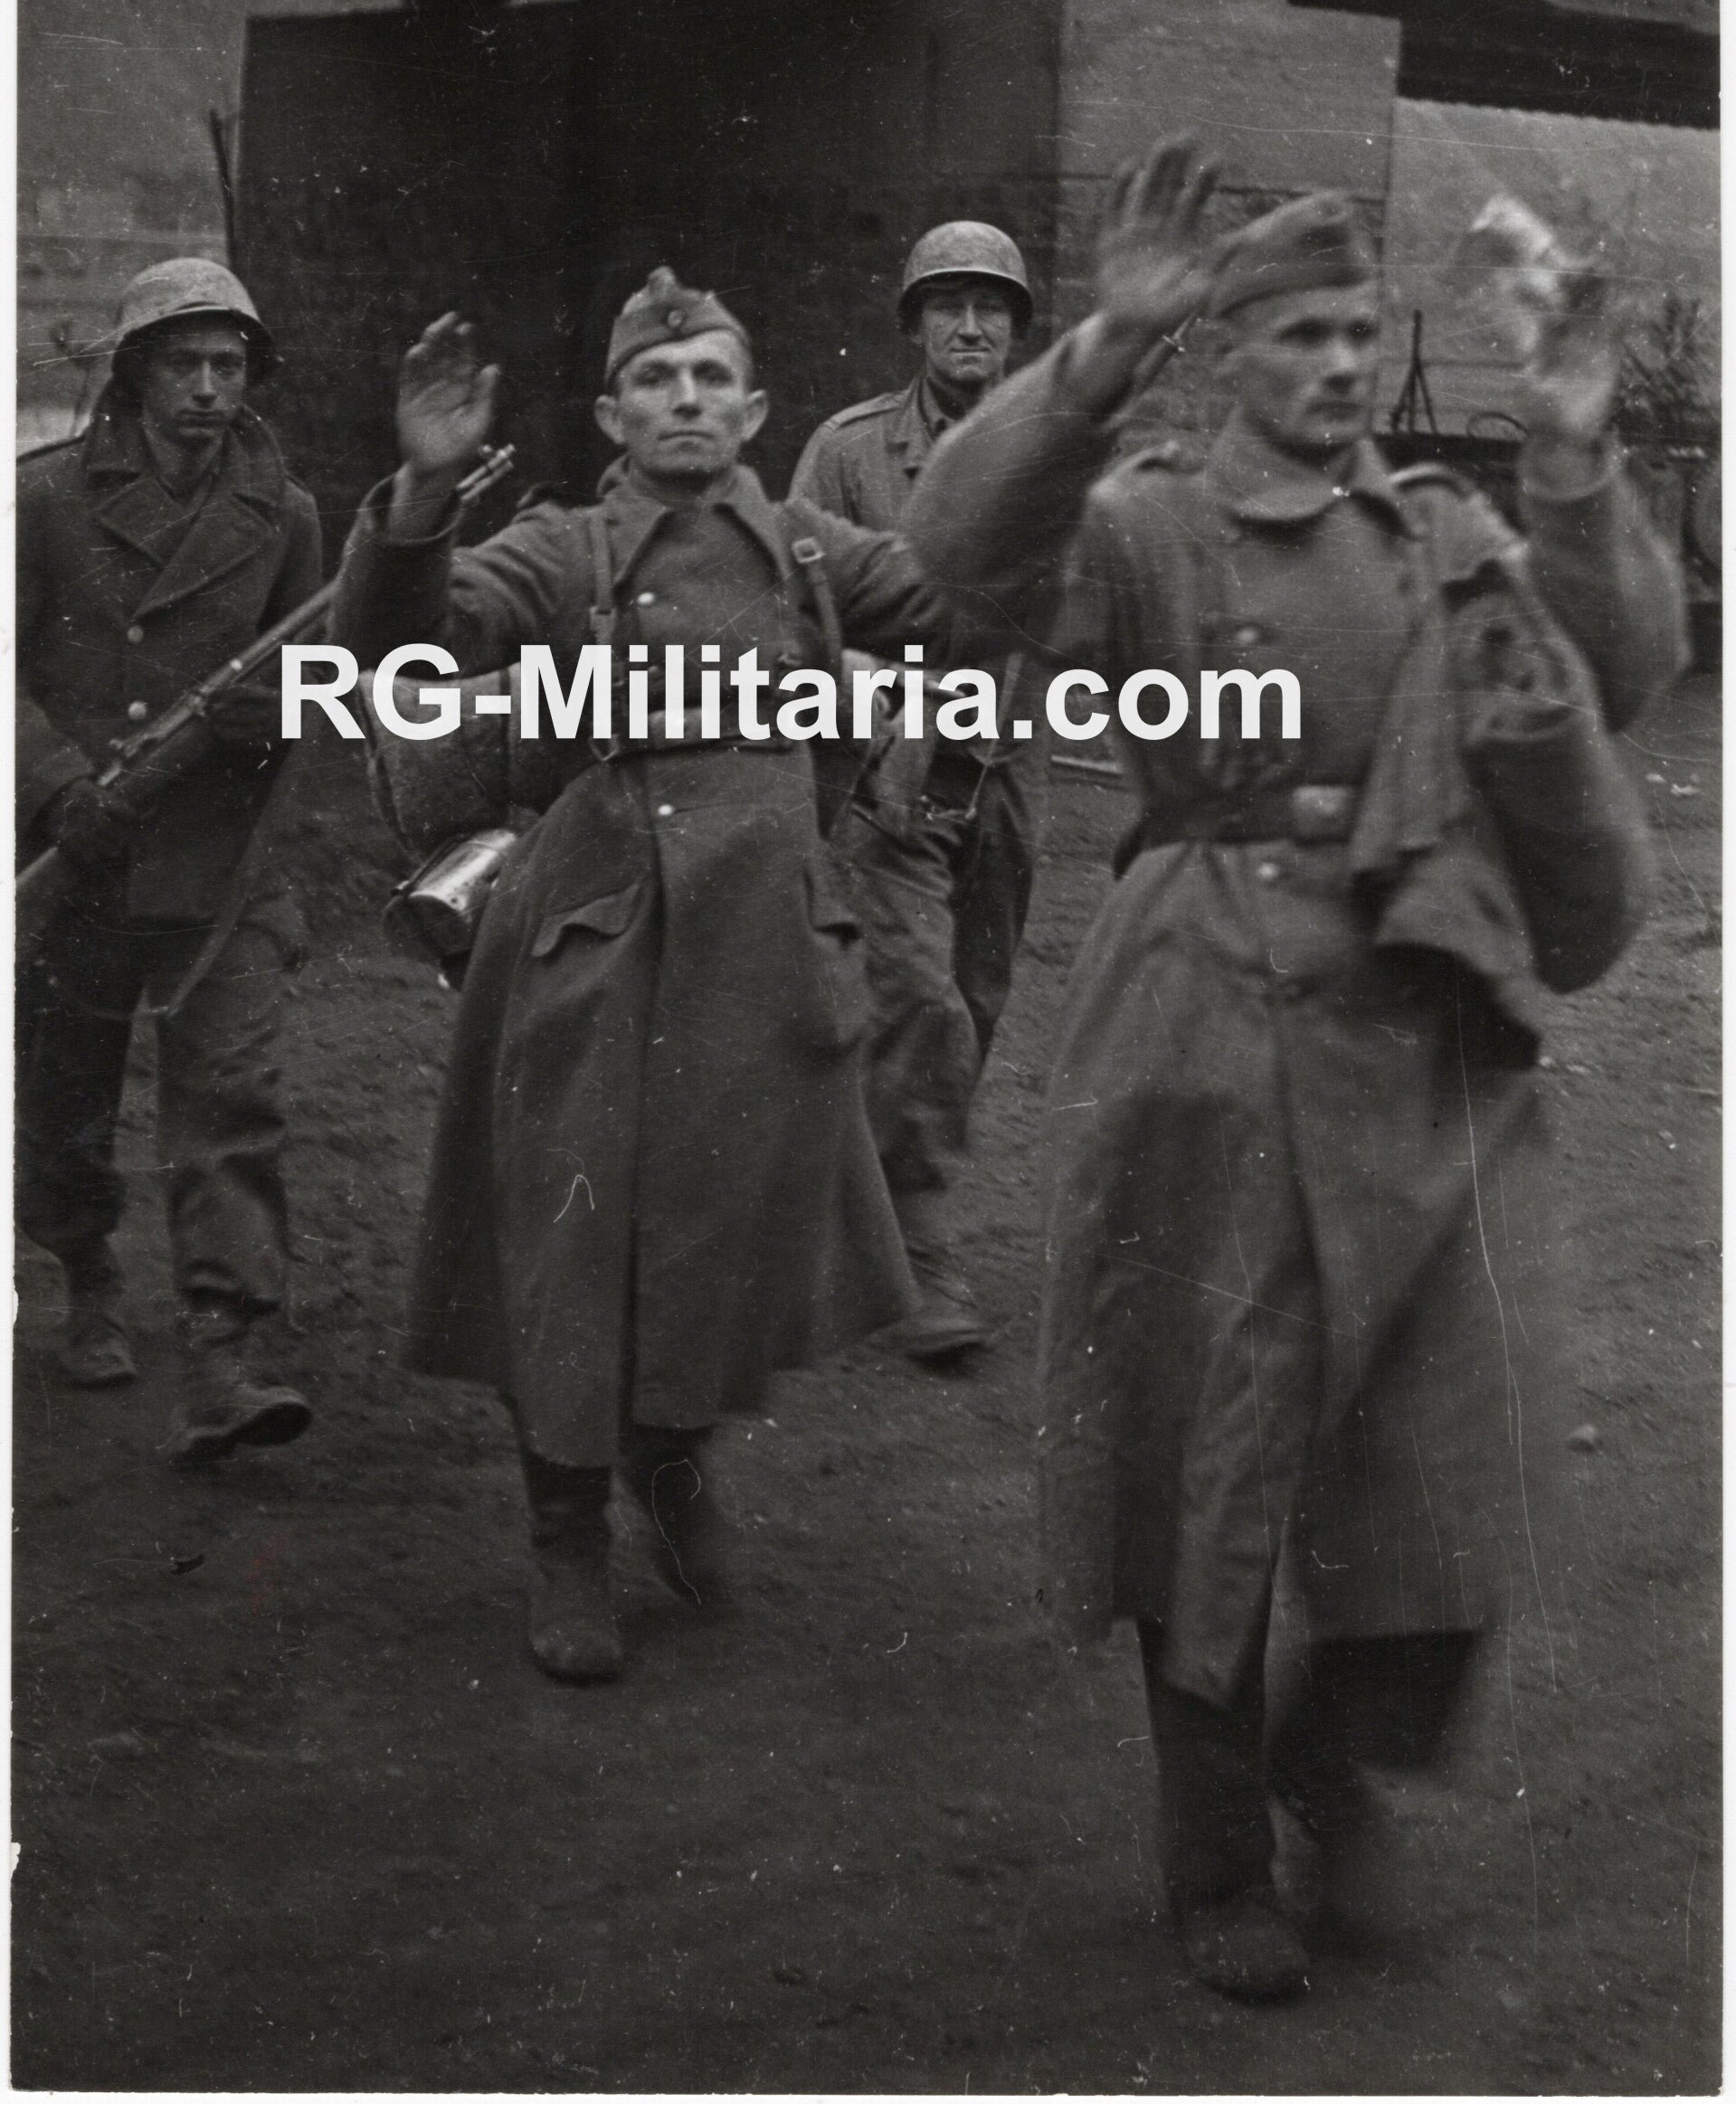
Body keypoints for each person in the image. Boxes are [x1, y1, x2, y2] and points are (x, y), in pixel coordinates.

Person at [904, 142, 1686, 1999]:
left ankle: (1331, 1758)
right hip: (1202, 1017)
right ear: (1228, 351)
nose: (1340, 365)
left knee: (1445, 1444)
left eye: (1359, 332)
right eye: (1300, 335)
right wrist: (1097, 347)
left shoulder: (1435, 527)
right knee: (1205, 1447)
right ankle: (1206, 1853)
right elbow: (955, 550)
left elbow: (1620, 671)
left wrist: (1571, 453)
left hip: (1427, 1012)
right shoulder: (1152, 522)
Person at [329, 270, 955, 1685]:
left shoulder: (806, 547)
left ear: (755, 407)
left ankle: (669, 1477)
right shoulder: (564, 548)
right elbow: (399, 651)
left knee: (710, 1242)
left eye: (710, 380)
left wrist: (1049, 452)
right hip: (588, 942)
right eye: (656, 383)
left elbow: (955, 588)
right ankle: (564, 1533)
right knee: (571, 1237)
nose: (685, 402)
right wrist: (422, 499)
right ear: (614, 411)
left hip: (756, 959)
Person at [16, 257, 320, 1464]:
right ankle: (87, 1270)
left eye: (228, 364)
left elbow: (328, 678)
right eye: (184, 362)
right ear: (136, 372)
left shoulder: (285, 514)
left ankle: (220, 1348)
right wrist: (52, 786)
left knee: (232, 1098)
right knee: (63, 1099)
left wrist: (283, 704)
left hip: (221, 855)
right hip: (80, 844)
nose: (207, 388)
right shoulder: (43, 500)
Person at [792, 223, 1042, 1360]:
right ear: (912, 324)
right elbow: (794, 593)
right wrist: (860, 680)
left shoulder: (1052, 450)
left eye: (991, 308)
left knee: (974, 1000)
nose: (971, 326)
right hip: (884, 777)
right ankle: (925, 1253)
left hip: (998, 769)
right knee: (919, 999)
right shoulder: (847, 454)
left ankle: (864, 1200)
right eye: (948, 306)